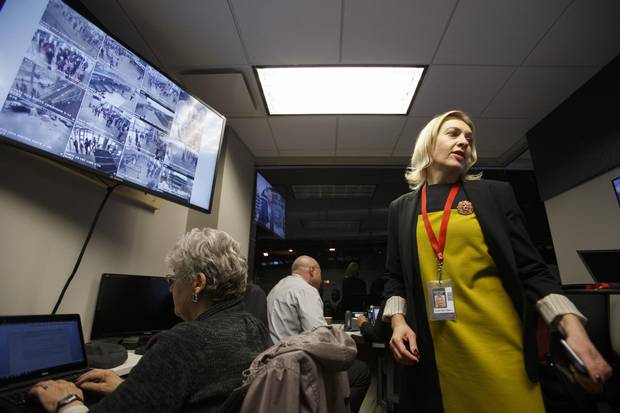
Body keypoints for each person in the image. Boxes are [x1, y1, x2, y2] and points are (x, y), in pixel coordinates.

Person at [382, 110, 612, 413]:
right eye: (453, 133)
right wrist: (398, 323)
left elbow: (533, 271)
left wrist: (575, 332)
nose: (464, 141)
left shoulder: (493, 194)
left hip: (503, 348)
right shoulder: (402, 208)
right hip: (438, 358)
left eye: (469, 138)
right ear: (428, 143)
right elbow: (394, 277)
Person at [29, 228, 270, 413]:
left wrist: (67, 401)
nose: (171, 288)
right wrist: (132, 389)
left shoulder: (181, 342)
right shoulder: (253, 327)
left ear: (198, 283)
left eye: (173, 278)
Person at [267, 256, 370, 413]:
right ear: (313, 271)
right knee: (361, 371)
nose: (322, 280)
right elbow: (321, 340)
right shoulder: (306, 290)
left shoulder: (275, 289)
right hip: (298, 366)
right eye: (321, 273)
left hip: (274, 364)